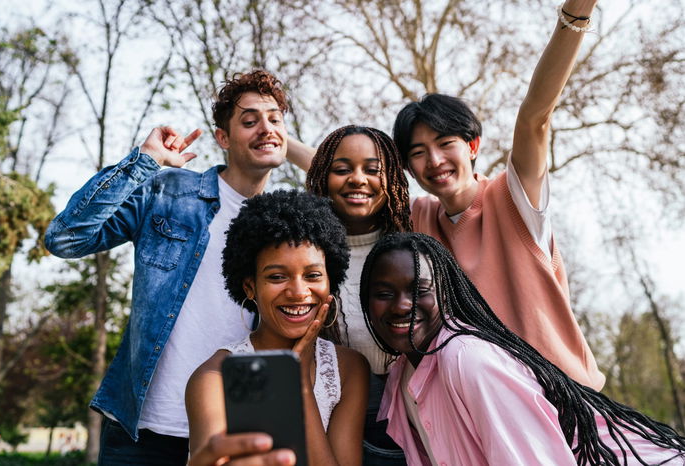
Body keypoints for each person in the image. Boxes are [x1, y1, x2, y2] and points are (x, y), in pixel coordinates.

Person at [287, 0, 605, 391]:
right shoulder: (420, 220)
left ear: (472, 145)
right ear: (406, 168)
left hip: (557, 397)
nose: (434, 160)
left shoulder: (515, 198)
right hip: (477, 406)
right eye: (418, 153)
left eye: (445, 143)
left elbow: (535, 116)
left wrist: (575, 15)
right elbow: (340, 172)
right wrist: (274, 138)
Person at [45, 69, 290, 464]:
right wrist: (145, 162)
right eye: (250, 121)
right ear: (222, 138)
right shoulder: (170, 192)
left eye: (275, 119)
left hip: (238, 429)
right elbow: (65, 238)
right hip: (143, 432)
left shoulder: (287, 221)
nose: (266, 128)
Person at [361, 232, 685, 466]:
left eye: (420, 290)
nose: (403, 305)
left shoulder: (467, 359)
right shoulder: (402, 377)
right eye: (384, 293)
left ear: (445, 295)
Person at [186, 190, 369, 466]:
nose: (298, 291)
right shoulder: (214, 377)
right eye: (277, 276)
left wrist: (299, 384)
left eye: (313, 275)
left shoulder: (350, 368)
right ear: (250, 287)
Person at [305, 125, 410, 465]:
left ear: (391, 176)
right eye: (342, 169)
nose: (358, 179)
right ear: (323, 176)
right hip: (325, 414)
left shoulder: (412, 248)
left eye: (372, 169)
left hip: (404, 418)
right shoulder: (305, 251)